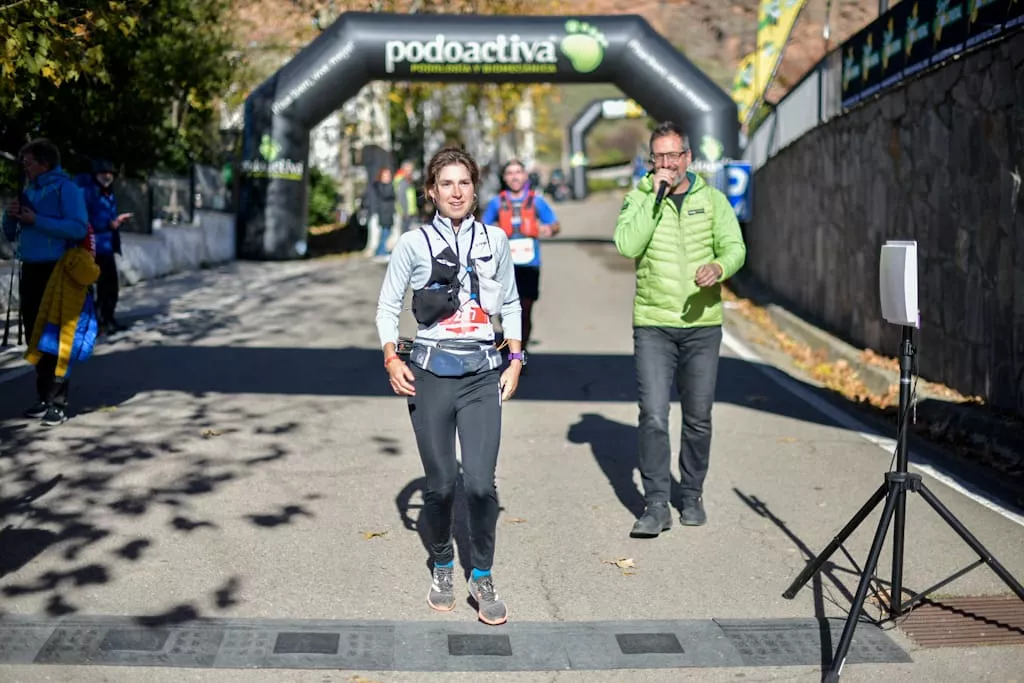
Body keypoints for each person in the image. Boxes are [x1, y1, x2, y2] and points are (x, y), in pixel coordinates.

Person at [376, 146, 525, 626]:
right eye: (447, 184)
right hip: (431, 376)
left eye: (464, 183)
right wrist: (390, 356)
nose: (456, 192)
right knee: (440, 487)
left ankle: (481, 574)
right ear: (431, 192)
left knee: (480, 486)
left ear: (474, 188)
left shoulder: (496, 239)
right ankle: (442, 562)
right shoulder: (412, 244)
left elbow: (514, 302)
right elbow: (387, 307)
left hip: (483, 374)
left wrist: (517, 357)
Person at [613, 121, 747, 538]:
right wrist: (653, 199)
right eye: (660, 157)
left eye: (674, 156)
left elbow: (735, 247)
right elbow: (627, 246)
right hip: (653, 323)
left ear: (688, 158)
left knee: (698, 417)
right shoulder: (638, 198)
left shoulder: (713, 201)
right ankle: (655, 504)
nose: (668, 164)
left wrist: (720, 267)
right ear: (651, 162)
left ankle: (691, 494)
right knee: (653, 415)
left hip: (701, 325)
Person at [1, 138, 89, 426]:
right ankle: (43, 397)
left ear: (45, 163)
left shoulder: (67, 189)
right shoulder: (29, 189)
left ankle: (59, 403)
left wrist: (36, 219)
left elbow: (77, 228)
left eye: (28, 163)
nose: (24, 168)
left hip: (57, 269)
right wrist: (10, 216)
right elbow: (11, 233)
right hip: (31, 269)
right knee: (34, 337)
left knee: (55, 337)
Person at [480, 159, 559, 350]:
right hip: (504, 265)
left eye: (518, 172)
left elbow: (555, 225)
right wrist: (494, 229)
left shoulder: (536, 201)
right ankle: (510, 338)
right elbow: (481, 228)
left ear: (525, 176)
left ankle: (520, 351)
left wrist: (548, 229)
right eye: (510, 173)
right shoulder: (497, 202)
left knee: (525, 310)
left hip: (530, 263)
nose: (514, 176)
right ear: (505, 178)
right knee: (502, 308)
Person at [76, 159, 132, 333]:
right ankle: (96, 322)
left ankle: (107, 319)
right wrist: (110, 224)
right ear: (96, 175)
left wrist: (115, 223)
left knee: (110, 288)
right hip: (93, 248)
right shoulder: (88, 193)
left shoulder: (109, 194)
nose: (107, 176)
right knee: (93, 288)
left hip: (107, 247)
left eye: (110, 174)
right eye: (103, 173)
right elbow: (84, 220)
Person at [369, 167, 397, 262]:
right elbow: (387, 195)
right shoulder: (380, 186)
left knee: (387, 232)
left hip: (388, 212)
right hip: (383, 213)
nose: (388, 177)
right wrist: (390, 185)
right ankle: (380, 253)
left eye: (389, 175)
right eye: (385, 175)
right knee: (384, 233)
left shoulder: (388, 185)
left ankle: (381, 251)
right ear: (381, 176)